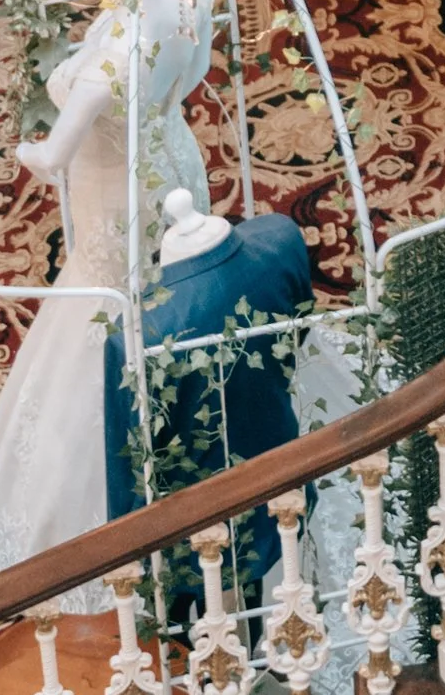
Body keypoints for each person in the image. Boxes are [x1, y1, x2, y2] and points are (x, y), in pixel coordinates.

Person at [0, 0, 212, 588]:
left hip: (116, 202)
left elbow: (53, 156)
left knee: (106, 312)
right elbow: (197, 74)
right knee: (171, 291)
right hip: (173, 165)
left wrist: (24, 145)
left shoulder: (113, 59)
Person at [105, 187, 316, 610]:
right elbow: (300, 326)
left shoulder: (135, 333)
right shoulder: (281, 237)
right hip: (285, 473)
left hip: (195, 528)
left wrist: (128, 549)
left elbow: (129, 458)